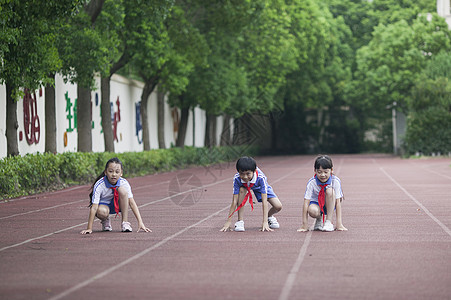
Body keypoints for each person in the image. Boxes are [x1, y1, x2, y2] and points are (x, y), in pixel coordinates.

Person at [80, 157, 151, 234]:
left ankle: (125, 222)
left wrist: (140, 222)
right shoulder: (100, 184)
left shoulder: (124, 183)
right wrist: (89, 228)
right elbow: (94, 207)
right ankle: (105, 220)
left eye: (117, 172)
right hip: (103, 206)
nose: (114, 174)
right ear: (105, 172)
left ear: (121, 173)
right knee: (101, 212)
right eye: (110, 171)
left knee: (122, 190)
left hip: (119, 204)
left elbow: (132, 203)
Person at [220, 156, 282, 232]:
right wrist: (228, 221)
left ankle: (269, 217)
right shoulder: (237, 178)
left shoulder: (261, 178)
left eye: (248, 173)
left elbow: (264, 201)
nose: (245, 177)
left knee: (278, 206)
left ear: (254, 170)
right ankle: (240, 221)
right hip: (244, 186)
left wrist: (264, 222)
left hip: (258, 187)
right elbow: (234, 201)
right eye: (242, 173)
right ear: (238, 172)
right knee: (242, 190)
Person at [297, 155, 347, 232]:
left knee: (330, 191)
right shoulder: (312, 182)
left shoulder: (335, 181)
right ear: (315, 170)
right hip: (317, 205)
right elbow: (306, 202)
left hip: (330, 204)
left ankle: (328, 222)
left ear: (331, 170)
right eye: (319, 172)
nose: (322, 175)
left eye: (326, 172)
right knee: (312, 211)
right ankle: (319, 219)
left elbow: (338, 203)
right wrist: (304, 225)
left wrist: (339, 224)